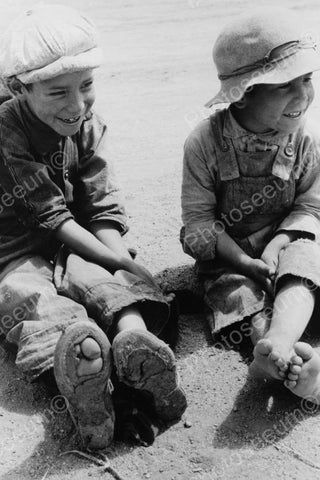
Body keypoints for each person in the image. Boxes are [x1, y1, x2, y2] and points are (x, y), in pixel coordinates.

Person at [0, 4, 186, 450]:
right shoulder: (6, 128)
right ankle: (83, 364)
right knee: (27, 296)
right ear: (18, 88)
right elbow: (50, 214)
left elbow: (100, 205)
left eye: (86, 86)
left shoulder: (88, 126)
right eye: (57, 92)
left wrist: (117, 261)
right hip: (13, 250)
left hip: (75, 241)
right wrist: (119, 258)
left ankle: (132, 338)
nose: (77, 104)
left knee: (103, 278)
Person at [180, 8, 320, 404]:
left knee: (304, 264)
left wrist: (278, 244)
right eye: (283, 86)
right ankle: (275, 359)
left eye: (307, 80)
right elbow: (199, 224)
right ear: (242, 95)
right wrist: (244, 262)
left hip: (286, 244)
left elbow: (310, 206)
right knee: (237, 298)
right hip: (228, 256)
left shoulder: (305, 141)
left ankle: (283, 338)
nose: (303, 95)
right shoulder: (204, 143)